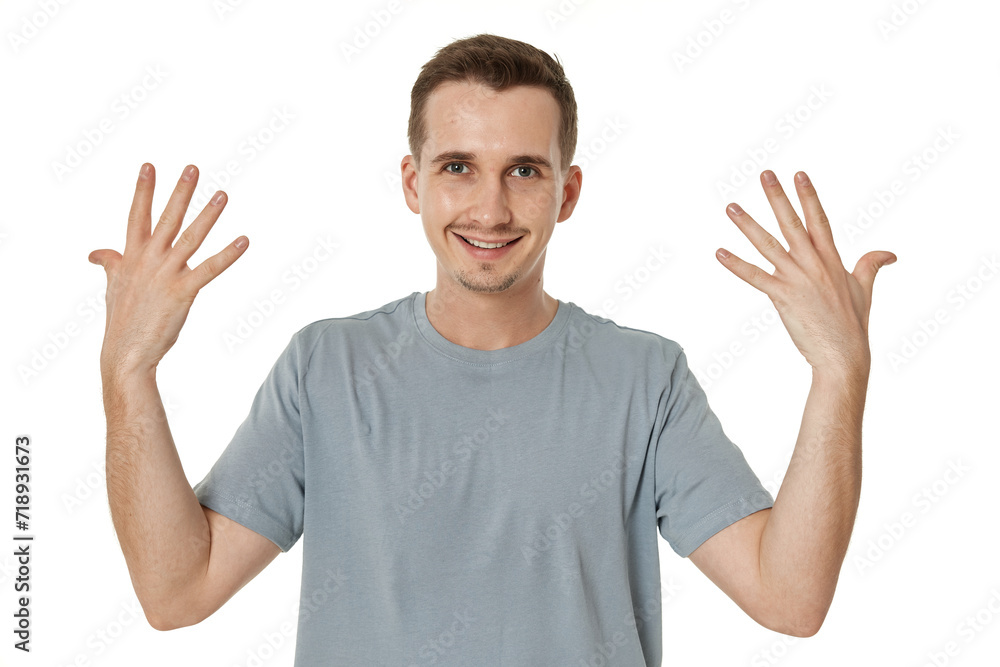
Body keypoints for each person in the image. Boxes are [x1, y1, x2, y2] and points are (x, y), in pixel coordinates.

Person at [89, 33, 895, 666]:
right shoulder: (327, 367)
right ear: (413, 184)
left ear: (566, 191)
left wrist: (839, 373)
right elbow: (176, 590)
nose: (490, 206)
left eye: (524, 171)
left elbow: (790, 600)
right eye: (458, 167)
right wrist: (128, 373)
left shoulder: (644, 379)